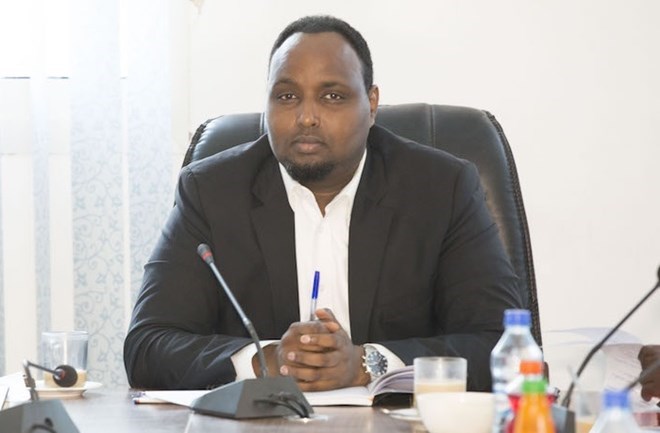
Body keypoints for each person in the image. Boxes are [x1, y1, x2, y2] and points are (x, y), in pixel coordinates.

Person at [123, 15, 523, 392]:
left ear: (372, 104)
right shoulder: (212, 192)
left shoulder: (441, 189)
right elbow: (148, 346)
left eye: (332, 96)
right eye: (287, 96)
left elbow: (503, 346)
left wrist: (365, 364)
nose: (306, 117)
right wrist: (267, 360)